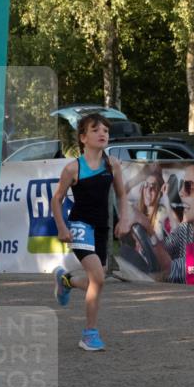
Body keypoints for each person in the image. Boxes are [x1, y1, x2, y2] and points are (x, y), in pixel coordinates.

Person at [51, 114, 132, 351]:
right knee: (98, 278)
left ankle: (67, 281)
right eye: (96, 130)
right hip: (79, 226)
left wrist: (124, 219)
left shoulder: (112, 164)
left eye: (106, 130)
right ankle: (89, 333)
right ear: (83, 138)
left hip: (101, 228)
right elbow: (57, 199)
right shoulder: (73, 167)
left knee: (98, 279)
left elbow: (122, 194)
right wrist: (62, 227)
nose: (102, 133)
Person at [154, 162, 194, 284]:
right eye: (181, 185)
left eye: (188, 187)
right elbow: (161, 251)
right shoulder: (186, 229)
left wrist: (147, 228)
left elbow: (170, 271)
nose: (181, 192)